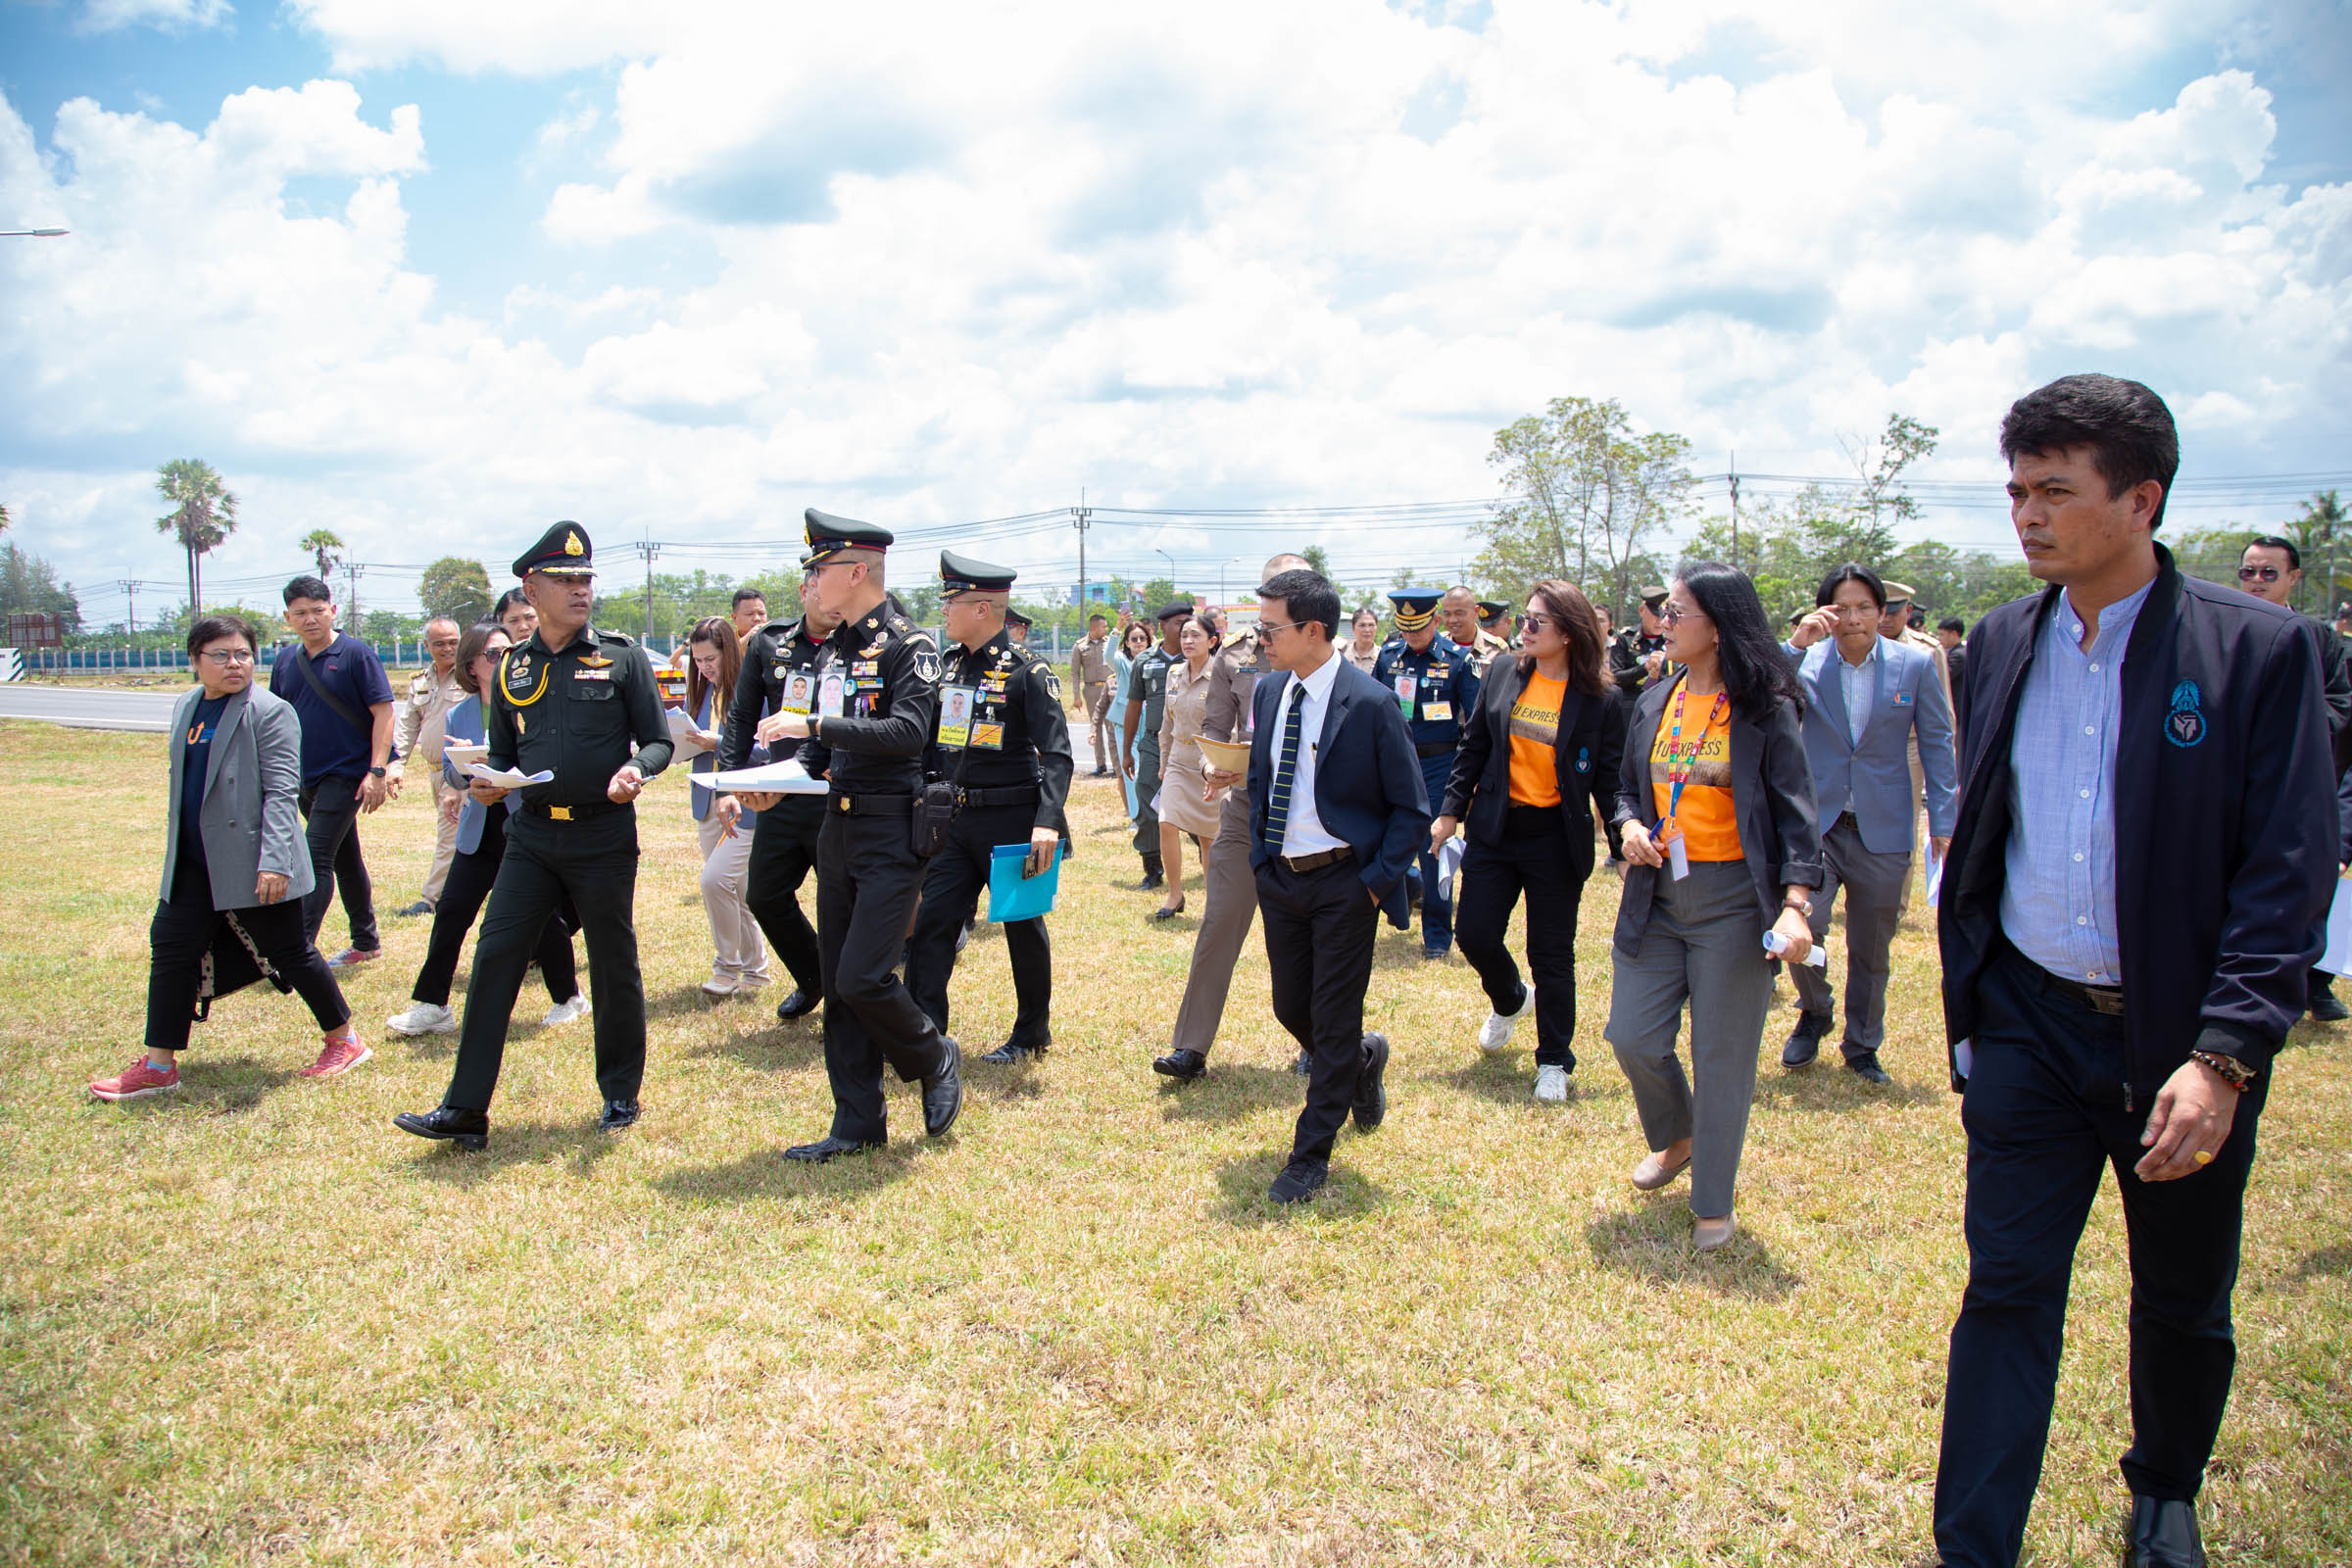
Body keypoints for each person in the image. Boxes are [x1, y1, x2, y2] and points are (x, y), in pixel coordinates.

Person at [1929, 374, 2336, 1568]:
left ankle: (2165, 1492)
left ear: (2142, 499)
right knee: (2007, 1287)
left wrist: (2225, 1055)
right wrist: (1976, 1002)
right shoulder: (2003, 639)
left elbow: (2286, 870)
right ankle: (1972, 1544)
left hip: (2181, 1041)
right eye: (2017, 490)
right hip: (2030, 1025)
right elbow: (1987, 831)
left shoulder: (2257, 651)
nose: (2028, 514)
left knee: (2182, 1293)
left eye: (2056, 490)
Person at [392, 522, 673, 1150]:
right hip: (531, 836)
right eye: (565, 580)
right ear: (531, 590)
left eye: (585, 579)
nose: (580, 590)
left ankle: (620, 1093)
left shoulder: (622, 657)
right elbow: (503, 751)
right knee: (495, 955)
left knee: (613, 959)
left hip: (602, 834)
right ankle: (465, 1108)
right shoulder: (514, 666)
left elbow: (657, 739)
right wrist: (488, 783)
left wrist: (637, 769)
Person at [1606, 563, 1822, 1252]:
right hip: (1656, 895)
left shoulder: (1764, 710)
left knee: (1721, 1056)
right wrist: (1629, 826)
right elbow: (1626, 789)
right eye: (1665, 612)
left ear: (1720, 626)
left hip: (1734, 902)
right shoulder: (1654, 701)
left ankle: (1713, 1202)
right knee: (1632, 1036)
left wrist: (1795, 905)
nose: (1662, 623)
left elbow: (1797, 815)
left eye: (1676, 613)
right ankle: (1678, 1136)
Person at [1208, 567, 1429, 1201]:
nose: (1260, 640)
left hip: (1344, 883)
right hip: (1281, 877)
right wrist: (1261, 860)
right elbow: (1268, 775)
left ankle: (1310, 1155)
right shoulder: (1271, 691)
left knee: (1333, 1019)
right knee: (1290, 1007)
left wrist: (1372, 885)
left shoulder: (1371, 704)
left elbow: (1411, 809)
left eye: (1270, 628)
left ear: (1313, 630)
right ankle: (1360, 1062)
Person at [756, 510, 962, 1162]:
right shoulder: (834, 649)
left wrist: (815, 727)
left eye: (818, 570)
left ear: (854, 573)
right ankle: (857, 1123)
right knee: (838, 983)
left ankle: (933, 1054)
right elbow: (818, 755)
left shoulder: (909, 645)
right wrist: (774, 783)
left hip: (892, 828)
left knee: (863, 976)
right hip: (837, 826)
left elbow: (907, 732)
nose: (810, 583)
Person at [88, 615, 366, 1100]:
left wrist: (275, 860)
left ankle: (344, 1040)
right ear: (195, 662)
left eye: (242, 654)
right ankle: (158, 1066)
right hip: (194, 860)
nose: (235, 664)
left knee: (291, 952)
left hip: (255, 861)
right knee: (171, 950)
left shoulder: (270, 712)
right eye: (221, 655)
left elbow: (281, 792)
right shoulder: (187, 705)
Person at [1432, 579, 1625, 1102]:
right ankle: (1512, 998)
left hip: (1555, 839)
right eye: (1525, 618)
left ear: (1569, 632)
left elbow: (1609, 781)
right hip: (1496, 829)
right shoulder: (1503, 672)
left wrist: (1620, 842)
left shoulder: (1601, 699)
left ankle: (1554, 1060)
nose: (1526, 628)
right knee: (1474, 934)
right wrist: (1449, 813)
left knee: (1551, 953)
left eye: (1539, 621)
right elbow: (1473, 748)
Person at [1783, 564, 1959, 1083]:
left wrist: (1944, 819)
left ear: (1883, 612)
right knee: (1802, 926)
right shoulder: (1808, 661)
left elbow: (1938, 742)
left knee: (1871, 945)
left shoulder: (1915, 665)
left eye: (1864, 607)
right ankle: (1815, 1009)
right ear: (1826, 613)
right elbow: (1761, 696)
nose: (1854, 618)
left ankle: (1861, 1044)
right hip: (1820, 824)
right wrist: (1795, 645)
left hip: (1884, 825)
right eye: (1843, 608)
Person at [904, 551, 1072, 1064]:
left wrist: (1047, 823)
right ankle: (923, 1036)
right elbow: (932, 742)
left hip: (1013, 820)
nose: (944, 610)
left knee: (1023, 927)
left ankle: (1031, 1033)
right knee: (932, 925)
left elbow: (1058, 754)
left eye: (951, 601)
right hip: (955, 821)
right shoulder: (949, 665)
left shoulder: (1027, 671)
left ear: (981, 609)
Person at [384, 622, 586, 1039]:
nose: (505, 660)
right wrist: (466, 774)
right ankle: (431, 1005)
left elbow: (552, 760)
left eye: (510, 652)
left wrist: (502, 770)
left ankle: (568, 998)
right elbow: (451, 772)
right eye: (494, 655)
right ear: (471, 665)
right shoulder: (458, 713)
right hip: (479, 827)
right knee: (451, 912)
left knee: (543, 917)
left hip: (524, 824)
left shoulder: (533, 703)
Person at [1152, 554, 1308, 1082]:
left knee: (1303, 934)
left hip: (1308, 814)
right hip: (1245, 807)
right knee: (1218, 922)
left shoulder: (1325, 653)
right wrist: (1211, 765)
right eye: (1271, 590)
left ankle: (1316, 1039)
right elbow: (1214, 728)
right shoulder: (1236, 654)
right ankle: (1190, 1046)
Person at [2235, 534, 2352, 1021]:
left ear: (2293, 578)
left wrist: (2280, 727)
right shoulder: (2219, 630)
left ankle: (2313, 983)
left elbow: (2340, 707)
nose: (2257, 581)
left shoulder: (2317, 639)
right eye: (2248, 571)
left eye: (2269, 572)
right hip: (2230, 791)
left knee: (2301, 891)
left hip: (2295, 790)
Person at [717, 585, 837, 1025]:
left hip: (836, 796)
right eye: (821, 584)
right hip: (782, 796)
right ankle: (814, 976)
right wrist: (728, 784)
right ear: (806, 589)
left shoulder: (860, 645)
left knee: (839, 904)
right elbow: (741, 715)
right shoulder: (770, 643)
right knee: (765, 895)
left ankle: (848, 1002)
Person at [270, 574, 396, 970]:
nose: (310, 619)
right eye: (300, 613)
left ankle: (294, 952)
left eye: (318, 611)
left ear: (333, 611)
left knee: (315, 857)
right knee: (344, 856)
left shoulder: (357, 655)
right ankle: (366, 941)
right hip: (303, 778)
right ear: (288, 618)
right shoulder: (285, 661)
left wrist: (377, 770)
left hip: (346, 775)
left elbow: (384, 712)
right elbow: (276, 718)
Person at [1372, 587, 1482, 959]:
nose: (1411, 635)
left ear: (1435, 621)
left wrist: (1472, 776)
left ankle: (1436, 934)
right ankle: (1408, 890)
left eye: (1418, 628)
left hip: (1440, 766)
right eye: (1405, 628)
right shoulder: (1389, 658)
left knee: (1434, 847)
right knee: (1385, 839)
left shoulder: (1458, 661)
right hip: (1395, 764)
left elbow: (1477, 723)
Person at [679, 615, 772, 999]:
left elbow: (768, 751)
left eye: (710, 659)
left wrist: (716, 743)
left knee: (715, 881)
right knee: (735, 890)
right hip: (706, 802)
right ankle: (756, 971)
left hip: (745, 806)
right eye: (698, 660)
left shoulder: (752, 694)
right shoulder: (702, 695)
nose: (704, 667)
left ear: (728, 654)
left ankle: (726, 967)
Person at [1152, 612, 1227, 920]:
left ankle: (1214, 900)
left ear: (1212, 641)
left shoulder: (1222, 674)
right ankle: (1175, 894)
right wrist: (1163, 761)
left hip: (1209, 763)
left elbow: (1228, 725)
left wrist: (1219, 769)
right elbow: (1167, 723)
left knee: (1208, 837)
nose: (1188, 640)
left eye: (1196, 635)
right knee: (1166, 822)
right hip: (1178, 761)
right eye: (1184, 635)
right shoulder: (1174, 674)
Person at [391, 616, 465, 917]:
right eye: (439, 643)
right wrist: (397, 764)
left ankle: (431, 899)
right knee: (463, 834)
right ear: (426, 646)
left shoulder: (471, 676)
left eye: (453, 642)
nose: (447, 648)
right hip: (434, 770)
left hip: (459, 771)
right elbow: (408, 725)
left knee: (449, 834)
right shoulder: (421, 681)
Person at [1120, 604, 1188, 891]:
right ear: (1162, 626)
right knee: (1147, 804)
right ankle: (1152, 869)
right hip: (1152, 743)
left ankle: (1210, 859)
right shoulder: (1145, 661)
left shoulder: (1199, 656)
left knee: (1199, 805)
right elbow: (1134, 705)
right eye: (1179, 623)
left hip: (1189, 743)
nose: (1185, 629)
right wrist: (1127, 751)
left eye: (1189, 622)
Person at [1112, 621, 1151, 819]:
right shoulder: (1121, 661)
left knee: (1150, 769)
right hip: (1125, 720)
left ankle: (1153, 814)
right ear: (1126, 642)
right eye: (1133, 638)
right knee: (1131, 769)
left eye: (1142, 638)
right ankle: (1137, 817)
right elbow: (1108, 655)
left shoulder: (1154, 660)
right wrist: (1117, 628)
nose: (1138, 642)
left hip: (1150, 720)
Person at [1071, 612, 1116, 778]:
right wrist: (1076, 696)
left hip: (1109, 688)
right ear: (1095, 628)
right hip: (1091, 690)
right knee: (1095, 727)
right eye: (1104, 626)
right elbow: (1075, 672)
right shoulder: (1080, 646)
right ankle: (1100, 764)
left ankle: (1116, 765)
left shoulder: (1110, 643)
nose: (1106, 629)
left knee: (1112, 727)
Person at [1609, 586, 1671, 697]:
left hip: (1663, 702)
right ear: (1641, 611)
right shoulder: (1625, 638)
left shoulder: (1672, 641)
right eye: (1655, 615)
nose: (1660, 621)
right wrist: (1645, 668)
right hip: (1631, 702)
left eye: (1664, 616)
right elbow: (1615, 677)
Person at [1440, 584, 1510, 676]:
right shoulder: (1436, 645)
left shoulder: (1496, 650)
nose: (1453, 620)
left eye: (1459, 613)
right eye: (1447, 614)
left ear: (1476, 612)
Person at [1938, 616, 1971, 738]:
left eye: (1942, 635)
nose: (1939, 638)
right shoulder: (1958, 652)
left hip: (1956, 709)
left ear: (1954, 634)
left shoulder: (1958, 655)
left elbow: (1942, 677)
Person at [1345, 606, 1382, 672]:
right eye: (1362, 625)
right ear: (1353, 628)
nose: (1367, 630)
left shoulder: (1382, 656)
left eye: (1371, 625)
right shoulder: (1342, 654)